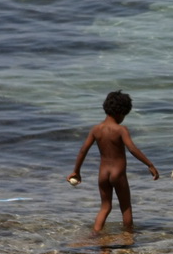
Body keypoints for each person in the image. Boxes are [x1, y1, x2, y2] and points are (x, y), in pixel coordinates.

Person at [68, 90, 159, 233]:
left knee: (105, 207)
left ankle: (95, 234)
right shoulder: (121, 129)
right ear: (121, 113)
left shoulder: (96, 129)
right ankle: (128, 236)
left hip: (103, 174)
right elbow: (132, 149)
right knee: (126, 207)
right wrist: (150, 164)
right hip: (118, 173)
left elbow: (83, 150)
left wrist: (76, 171)